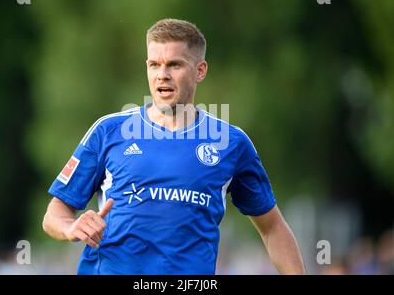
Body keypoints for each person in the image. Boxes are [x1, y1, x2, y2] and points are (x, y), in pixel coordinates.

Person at [42, 18, 306, 275]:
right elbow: (55, 213)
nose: (162, 75)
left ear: (200, 70)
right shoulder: (108, 131)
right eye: (154, 64)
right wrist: (71, 227)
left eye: (174, 65)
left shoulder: (231, 143)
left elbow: (272, 228)